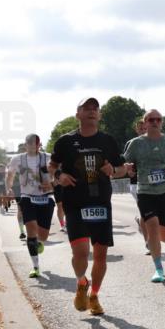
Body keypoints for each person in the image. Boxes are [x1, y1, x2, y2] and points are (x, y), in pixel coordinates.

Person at [49, 97, 126, 316]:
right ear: (78, 114)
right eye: (86, 108)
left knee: (100, 255)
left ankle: (94, 295)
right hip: (75, 202)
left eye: (95, 109)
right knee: (80, 253)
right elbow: (52, 166)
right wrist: (59, 175)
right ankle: (82, 281)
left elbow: (122, 170)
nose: (91, 111)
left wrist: (113, 169)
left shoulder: (108, 141)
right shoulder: (65, 141)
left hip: (101, 201)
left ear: (99, 115)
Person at [123, 109, 165, 282]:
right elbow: (125, 161)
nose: (155, 122)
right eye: (151, 119)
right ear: (145, 122)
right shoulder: (136, 143)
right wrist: (127, 167)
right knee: (153, 226)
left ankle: (147, 231)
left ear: (161, 122)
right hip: (145, 191)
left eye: (158, 119)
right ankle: (159, 269)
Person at [6, 134, 54, 278]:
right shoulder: (17, 159)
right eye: (30, 143)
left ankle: (39, 242)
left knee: (43, 236)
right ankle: (35, 267)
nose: (33, 146)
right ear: (25, 145)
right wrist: (8, 188)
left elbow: (59, 173)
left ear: (40, 145)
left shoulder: (48, 157)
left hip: (46, 197)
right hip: (27, 197)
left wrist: (52, 183)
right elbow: (10, 175)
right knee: (31, 229)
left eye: (36, 143)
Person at [125, 119, 147, 250]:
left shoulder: (154, 142)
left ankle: (140, 220)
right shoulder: (131, 143)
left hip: (152, 183)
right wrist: (129, 171)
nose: (143, 131)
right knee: (145, 212)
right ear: (137, 130)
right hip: (136, 183)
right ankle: (148, 242)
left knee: (152, 214)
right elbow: (125, 162)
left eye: (145, 128)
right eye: (141, 129)